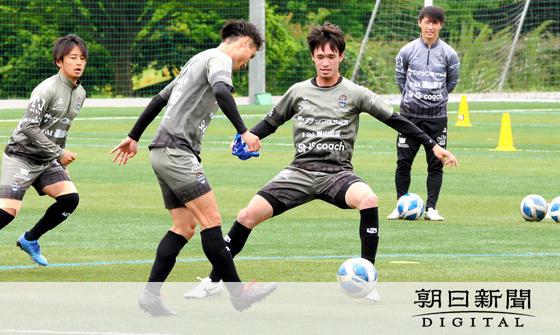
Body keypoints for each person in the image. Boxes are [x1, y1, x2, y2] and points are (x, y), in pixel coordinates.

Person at [183, 22, 459, 300]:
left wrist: (432, 145)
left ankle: (367, 280)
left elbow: (396, 120)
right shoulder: (298, 92)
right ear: (313, 57)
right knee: (246, 216)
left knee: (368, 199)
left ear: (341, 56)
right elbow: (271, 123)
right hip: (299, 172)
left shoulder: (356, 93)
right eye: (320, 57)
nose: (325, 63)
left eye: (331, 56)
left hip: (337, 174)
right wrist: (248, 136)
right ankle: (214, 280)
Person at [110, 19, 276, 316]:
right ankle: (239, 294)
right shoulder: (219, 59)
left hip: (161, 152)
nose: (244, 64)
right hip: (177, 153)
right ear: (244, 44)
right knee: (211, 221)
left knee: (184, 227)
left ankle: (150, 296)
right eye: (249, 58)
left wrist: (133, 136)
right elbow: (223, 92)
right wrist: (244, 131)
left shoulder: (196, 60)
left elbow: (159, 100)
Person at [0, 34, 87, 274]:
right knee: (8, 212)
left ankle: (30, 239)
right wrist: (58, 152)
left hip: (46, 159)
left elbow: (62, 127)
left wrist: (59, 159)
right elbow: (29, 126)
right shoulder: (46, 89)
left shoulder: (80, 94)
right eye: (72, 58)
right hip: (21, 156)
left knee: (70, 199)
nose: (78, 63)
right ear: (59, 61)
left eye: (82, 58)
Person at [387, 6, 460, 221]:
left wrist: (436, 98)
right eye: (426, 22)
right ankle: (401, 204)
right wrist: (412, 97)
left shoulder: (449, 53)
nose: (430, 26)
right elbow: (400, 78)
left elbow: (452, 81)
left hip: (437, 117)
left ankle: (431, 208)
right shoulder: (407, 51)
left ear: (440, 25)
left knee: (436, 163)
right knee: (403, 163)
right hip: (409, 116)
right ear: (420, 23)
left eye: (434, 23)